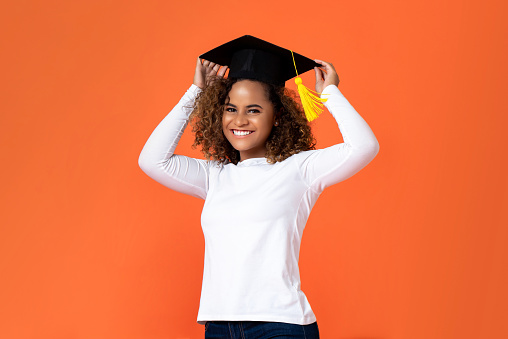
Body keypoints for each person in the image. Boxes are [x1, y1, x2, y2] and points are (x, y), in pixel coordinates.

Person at [138, 35, 380, 339]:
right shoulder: (215, 176)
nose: (239, 120)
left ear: (277, 117)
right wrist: (196, 91)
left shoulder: (299, 170)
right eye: (230, 108)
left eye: (253, 110)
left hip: (281, 325)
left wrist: (330, 92)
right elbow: (151, 160)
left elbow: (364, 146)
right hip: (219, 326)